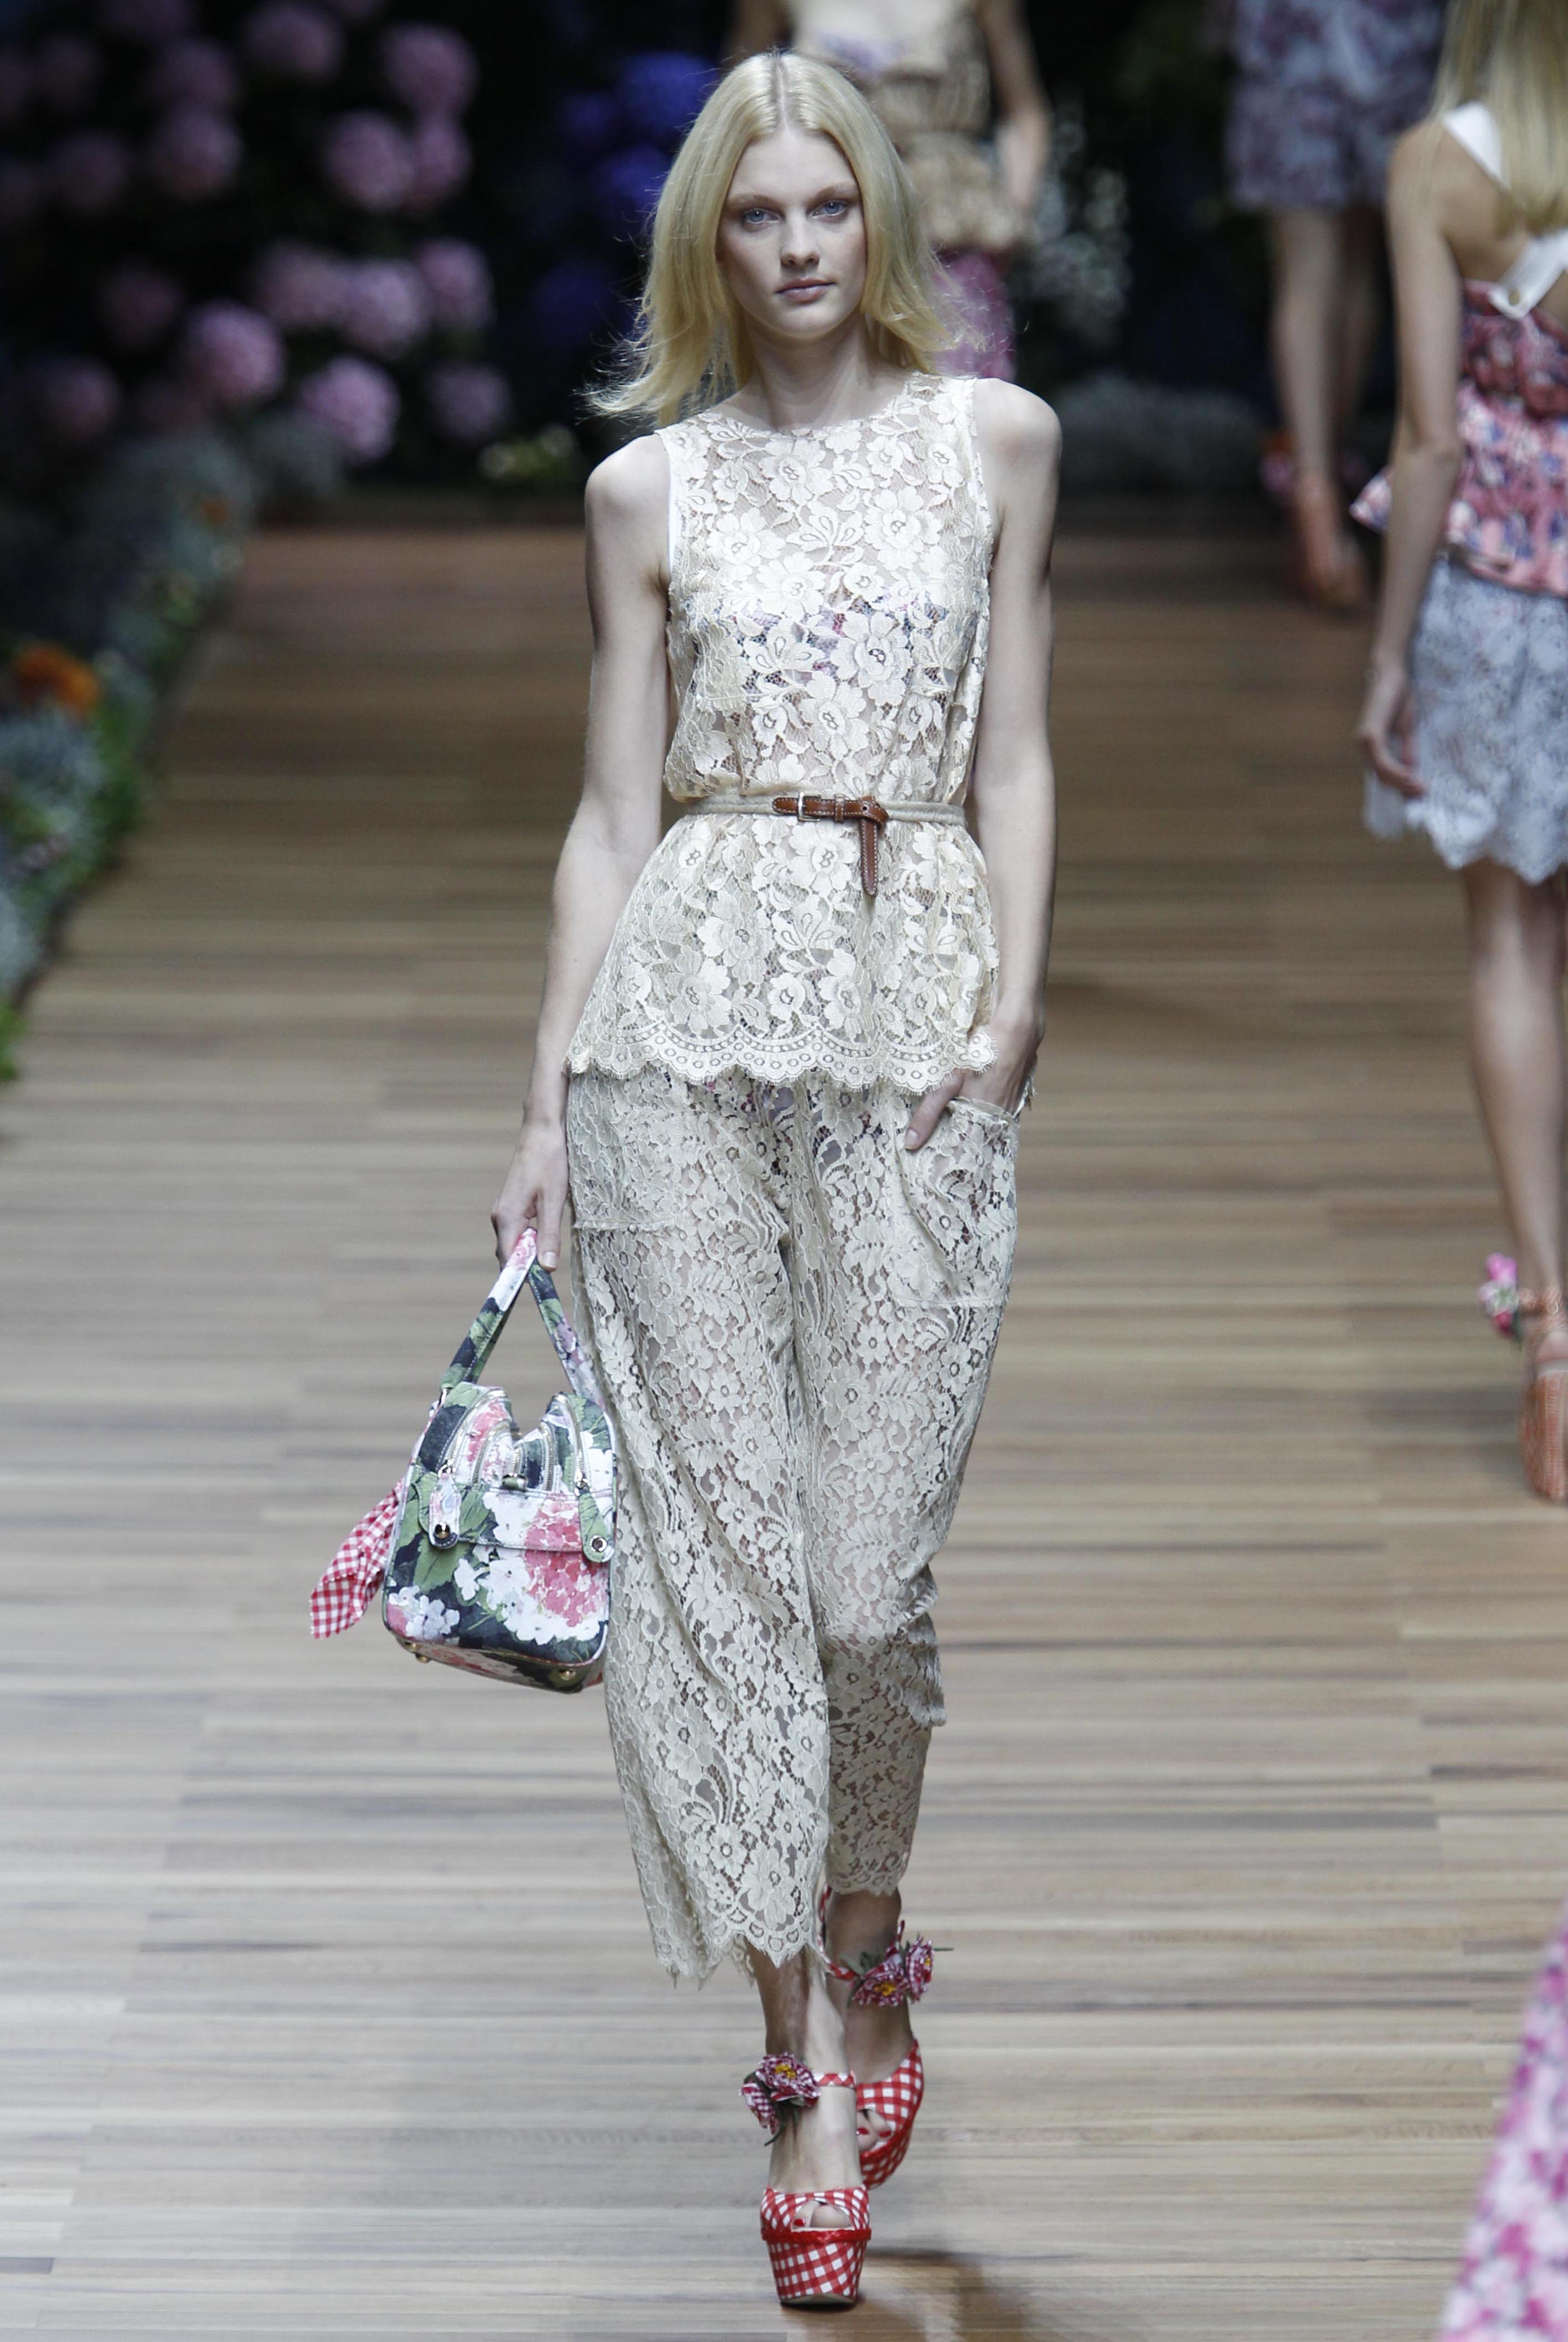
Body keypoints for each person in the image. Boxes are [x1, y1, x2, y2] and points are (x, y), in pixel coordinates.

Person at [490, 50, 1058, 2312]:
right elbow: (607, 810)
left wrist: (1015, 996)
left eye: (832, 207)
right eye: (760, 215)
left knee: (860, 1582)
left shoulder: (995, 444)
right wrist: (546, 1104)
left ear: (882, 221)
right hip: (678, 1026)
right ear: (706, 244)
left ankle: (871, 1930)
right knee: (722, 1567)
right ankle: (799, 2067)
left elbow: (1019, 747)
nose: (803, 247)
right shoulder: (646, 489)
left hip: (918, 1009)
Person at [1354, 0, 1568, 1504]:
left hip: (1492, 600)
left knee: (1509, 949)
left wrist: (1384, 656)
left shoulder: (1437, 165)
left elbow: (1428, 438)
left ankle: (1553, 1332)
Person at [1226, 0, 1445, 609]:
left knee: (1315, 271)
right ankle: (1323, 491)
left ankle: (1314, 489)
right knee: (1352, 265)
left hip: (1305, 37)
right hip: (1379, 36)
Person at [726, 0, 1051, 379]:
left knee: (958, 394)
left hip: (950, 239)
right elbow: (739, 114)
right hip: (829, 235)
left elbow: (1025, 112)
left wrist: (1013, 213)